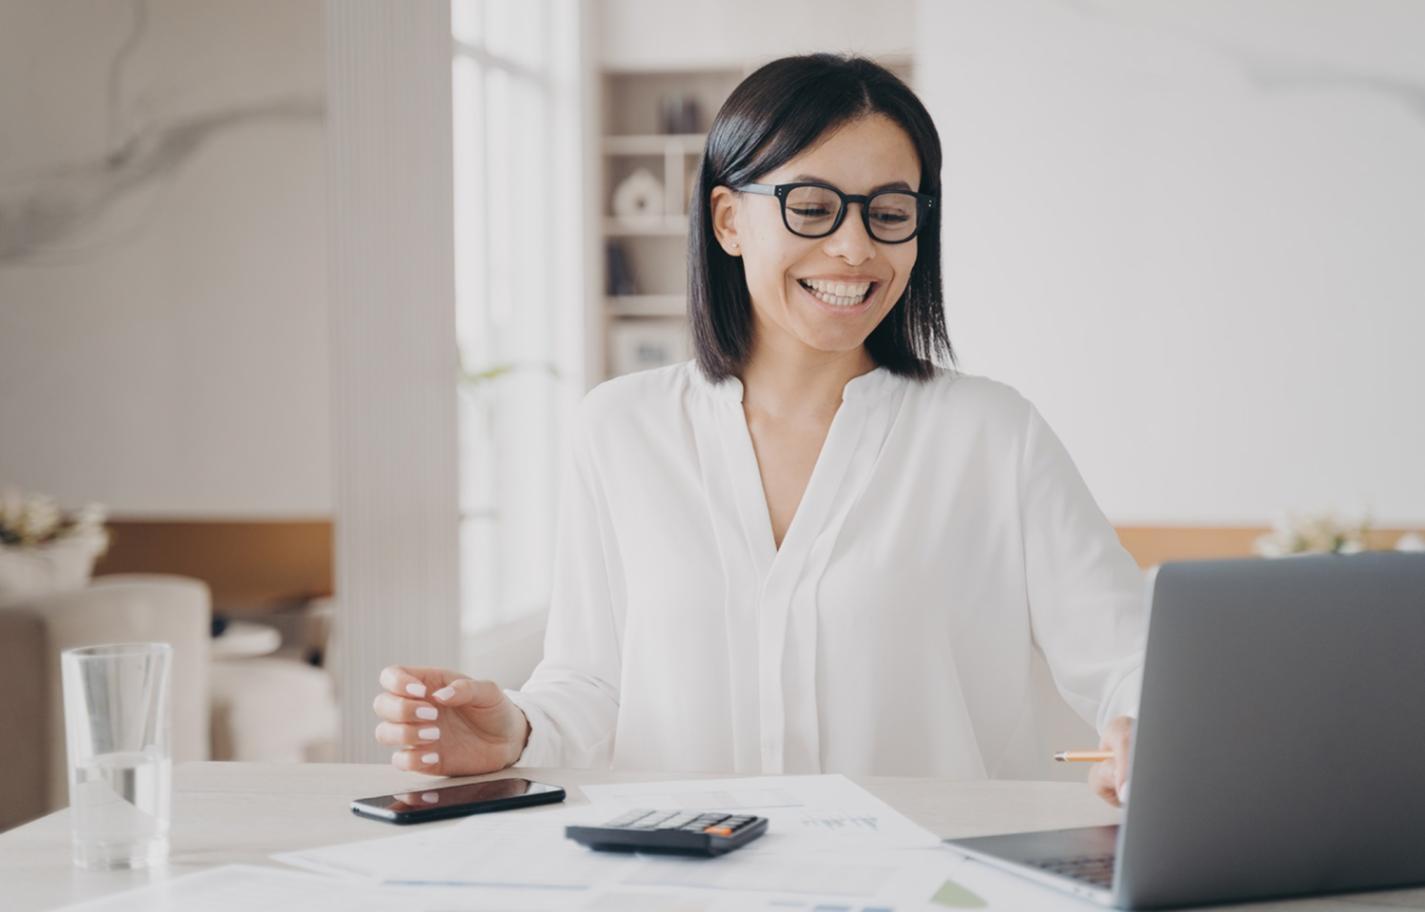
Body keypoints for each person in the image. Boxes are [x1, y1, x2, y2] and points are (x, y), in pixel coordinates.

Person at [372, 53, 1145, 808]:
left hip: (928, 885)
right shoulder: (620, 429)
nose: (854, 247)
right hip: (680, 883)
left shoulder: (990, 433)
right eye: (811, 207)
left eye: (890, 212)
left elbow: (1127, 656)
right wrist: (516, 730)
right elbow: (593, 680)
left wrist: (1144, 731)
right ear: (727, 218)